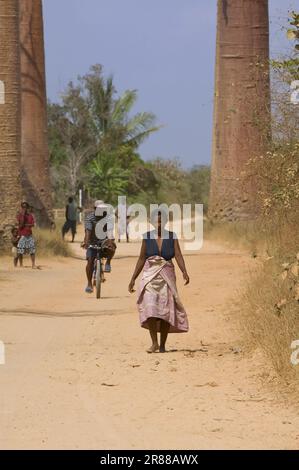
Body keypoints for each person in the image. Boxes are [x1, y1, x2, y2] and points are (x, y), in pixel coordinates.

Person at [128, 209, 190, 353]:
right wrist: (133, 278)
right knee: (150, 308)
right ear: (151, 222)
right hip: (150, 276)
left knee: (165, 310)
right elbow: (141, 258)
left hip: (167, 275)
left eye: (162, 220)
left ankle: (162, 345)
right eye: (157, 220)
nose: (159, 223)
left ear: (166, 221)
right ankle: (154, 343)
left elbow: (178, 255)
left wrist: (184, 271)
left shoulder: (172, 236)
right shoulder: (147, 237)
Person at [82, 200, 116, 293]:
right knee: (90, 262)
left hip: (104, 241)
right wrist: (86, 242)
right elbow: (88, 231)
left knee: (112, 246)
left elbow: (110, 231)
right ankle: (89, 283)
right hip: (92, 241)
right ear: (95, 209)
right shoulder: (90, 218)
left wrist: (110, 242)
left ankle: (108, 262)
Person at [17, 201, 36, 268]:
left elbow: (33, 224)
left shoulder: (30, 216)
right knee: (20, 250)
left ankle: (33, 264)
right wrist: (23, 217)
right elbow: (21, 225)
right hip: (22, 234)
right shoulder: (20, 215)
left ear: (27, 208)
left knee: (32, 249)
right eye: (23, 207)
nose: (24, 208)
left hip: (29, 234)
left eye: (25, 207)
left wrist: (26, 225)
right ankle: (21, 264)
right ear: (21, 208)